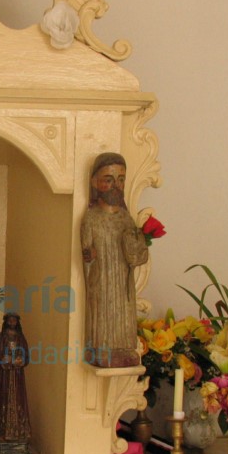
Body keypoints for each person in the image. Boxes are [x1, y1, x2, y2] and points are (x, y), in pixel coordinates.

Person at [80, 152, 149, 368]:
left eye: (120, 180)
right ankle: (101, 348)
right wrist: (89, 255)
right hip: (101, 278)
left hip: (123, 278)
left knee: (124, 311)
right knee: (102, 311)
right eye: (108, 180)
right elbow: (86, 252)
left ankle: (125, 348)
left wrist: (137, 242)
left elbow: (138, 254)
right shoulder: (91, 217)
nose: (115, 186)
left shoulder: (126, 218)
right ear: (94, 182)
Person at [0, 312, 32, 454]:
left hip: (17, 376)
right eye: (10, 320)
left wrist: (20, 360)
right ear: (6, 321)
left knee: (18, 401)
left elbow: (26, 356)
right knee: (3, 401)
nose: (12, 322)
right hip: (5, 376)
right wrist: (3, 359)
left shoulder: (20, 338)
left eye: (14, 320)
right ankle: (1, 432)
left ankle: (19, 433)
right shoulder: (1, 337)